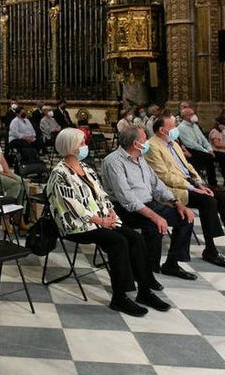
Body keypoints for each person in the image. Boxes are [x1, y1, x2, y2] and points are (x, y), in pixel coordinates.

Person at [47, 128, 169, 316]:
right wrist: (101, 221)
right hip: (77, 224)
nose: (84, 146)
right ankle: (119, 298)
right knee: (118, 242)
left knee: (135, 238)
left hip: (102, 219)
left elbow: (102, 195)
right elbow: (72, 207)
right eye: (81, 144)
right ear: (70, 147)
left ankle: (144, 290)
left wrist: (111, 213)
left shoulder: (86, 168)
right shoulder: (59, 173)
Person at [146, 116, 225, 266]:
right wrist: (192, 187)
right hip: (173, 189)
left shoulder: (173, 144)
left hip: (190, 183)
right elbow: (163, 176)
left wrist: (200, 183)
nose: (176, 128)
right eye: (173, 126)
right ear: (162, 130)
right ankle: (210, 249)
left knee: (223, 198)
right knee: (208, 201)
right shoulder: (152, 146)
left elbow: (187, 166)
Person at [100, 122, 197, 281]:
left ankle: (171, 264)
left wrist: (176, 202)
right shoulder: (113, 162)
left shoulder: (140, 157)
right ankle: (147, 272)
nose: (147, 142)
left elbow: (157, 184)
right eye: (145, 139)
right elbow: (127, 199)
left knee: (186, 218)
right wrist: (155, 216)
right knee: (154, 226)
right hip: (125, 210)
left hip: (148, 204)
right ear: (135, 143)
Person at [177, 106, 225, 186]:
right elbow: (191, 144)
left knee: (223, 156)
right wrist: (206, 151)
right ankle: (213, 183)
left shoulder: (195, 126)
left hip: (203, 149)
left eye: (193, 113)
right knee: (209, 157)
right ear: (185, 116)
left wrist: (209, 149)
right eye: (191, 114)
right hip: (192, 150)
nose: (194, 115)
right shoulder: (181, 128)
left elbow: (203, 139)